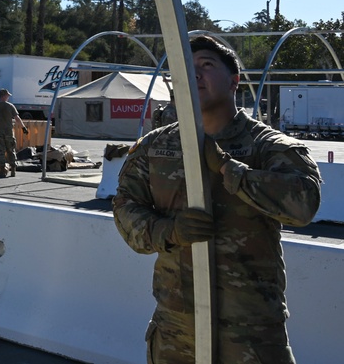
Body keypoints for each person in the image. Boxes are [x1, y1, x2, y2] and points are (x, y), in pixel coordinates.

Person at [113, 34, 321, 364]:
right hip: (176, 332)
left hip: (250, 335)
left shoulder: (267, 145)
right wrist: (170, 232)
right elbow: (125, 208)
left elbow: (303, 204)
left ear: (234, 80)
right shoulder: (155, 147)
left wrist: (227, 168)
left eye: (206, 65)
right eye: (185, 67)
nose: (194, 74)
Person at [0, 88, 28, 177]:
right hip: (9, 132)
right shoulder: (10, 106)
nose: (8, 97)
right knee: (11, 150)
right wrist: (23, 127)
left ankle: (2, 170)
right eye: (7, 95)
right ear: (4, 96)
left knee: (1, 151)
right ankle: (13, 169)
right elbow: (17, 119)